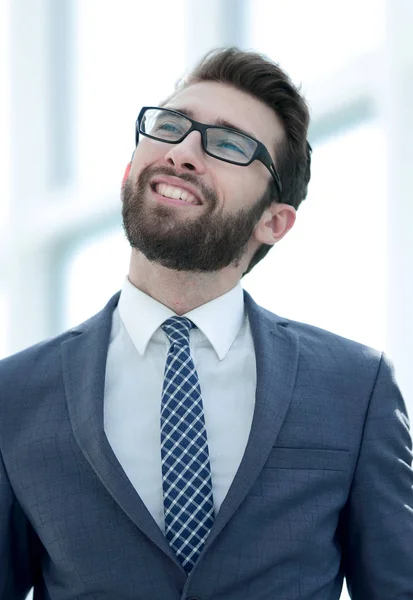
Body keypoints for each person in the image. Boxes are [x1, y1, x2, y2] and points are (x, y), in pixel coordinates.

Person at [0, 47, 412, 600]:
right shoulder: (16, 394)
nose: (185, 151)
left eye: (229, 144)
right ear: (130, 169)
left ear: (274, 220)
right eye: (170, 127)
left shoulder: (354, 387)